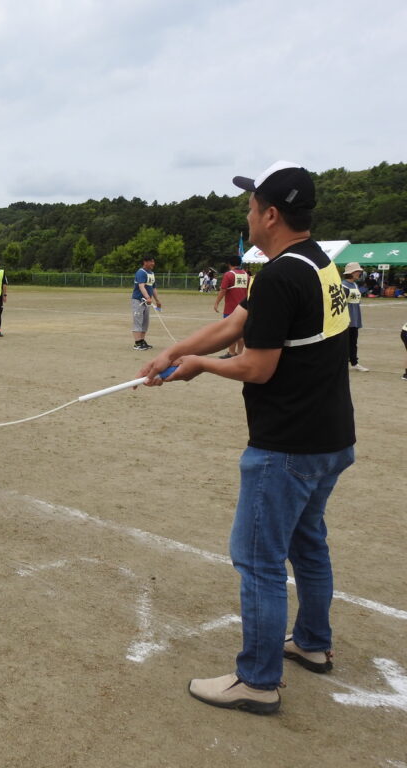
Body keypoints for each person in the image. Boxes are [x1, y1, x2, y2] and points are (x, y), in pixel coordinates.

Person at [141, 161, 354, 715]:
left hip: (288, 445)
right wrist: (174, 351)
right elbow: (238, 324)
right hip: (330, 439)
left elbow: (257, 366)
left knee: (258, 559)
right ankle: (312, 642)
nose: (247, 213)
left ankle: (257, 680)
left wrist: (197, 366)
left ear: (272, 215)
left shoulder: (283, 273)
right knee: (308, 544)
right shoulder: (313, 263)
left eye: (251, 205)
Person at [213, 254, 250, 358]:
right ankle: (239, 354)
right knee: (241, 333)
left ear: (229, 264)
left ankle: (231, 353)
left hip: (231, 309)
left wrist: (216, 303)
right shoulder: (246, 275)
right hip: (244, 309)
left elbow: (223, 290)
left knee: (230, 332)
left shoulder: (228, 275)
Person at [341, 262, 368, 371]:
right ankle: (341, 363)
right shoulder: (342, 286)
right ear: (351, 273)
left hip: (355, 318)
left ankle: (354, 362)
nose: (359, 273)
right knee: (343, 343)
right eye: (358, 271)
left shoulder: (355, 285)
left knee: (353, 342)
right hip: (345, 320)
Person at [131, 255, 161, 350]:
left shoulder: (151, 273)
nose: (153, 263)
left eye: (153, 261)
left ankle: (142, 341)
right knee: (138, 321)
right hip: (138, 301)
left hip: (147, 302)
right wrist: (147, 297)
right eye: (151, 261)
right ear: (145, 262)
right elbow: (141, 286)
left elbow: (153, 288)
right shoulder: (141, 272)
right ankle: (137, 343)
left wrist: (157, 300)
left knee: (145, 322)